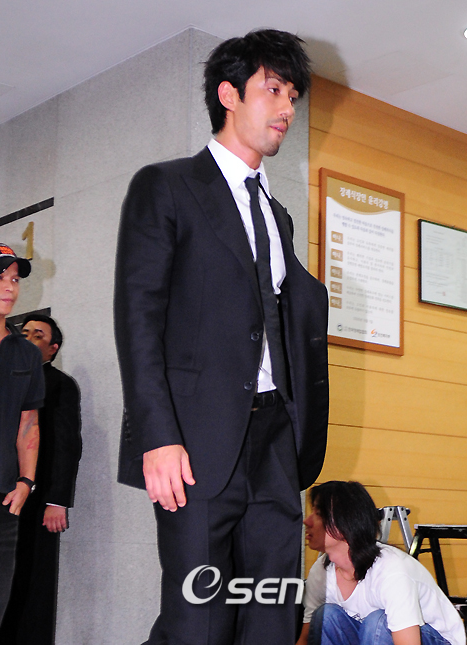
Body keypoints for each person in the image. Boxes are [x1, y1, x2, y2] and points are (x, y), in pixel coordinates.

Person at [115, 28, 329, 645]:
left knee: (272, 611)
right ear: (228, 94)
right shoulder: (167, 186)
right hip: (196, 440)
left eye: (293, 96)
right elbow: (138, 318)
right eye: (274, 90)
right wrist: (158, 436)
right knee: (199, 618)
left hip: (275, 440)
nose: (287, 109)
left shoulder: (277, 215)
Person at [0, 314, 82, 645]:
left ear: (52, 348)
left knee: (30, 577)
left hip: (37, 498)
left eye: (39, 334)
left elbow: (66, 443)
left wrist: (56, 500)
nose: (29, 337)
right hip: (7, 491)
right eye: (26, 332)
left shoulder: (59, 383)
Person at [297, 481, 466, 645]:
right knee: (326, 616)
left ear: (345, 522)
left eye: (318, 514)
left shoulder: (391, 569)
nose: (307, 521)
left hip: (436, 639)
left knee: (377, 622)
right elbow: (305, 639)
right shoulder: (321, 572)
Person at [0, 243, 44, 632]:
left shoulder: (26, 354)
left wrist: (26, 481)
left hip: (3, 501)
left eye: (14, 279)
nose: (9, 287)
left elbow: (29, 423)